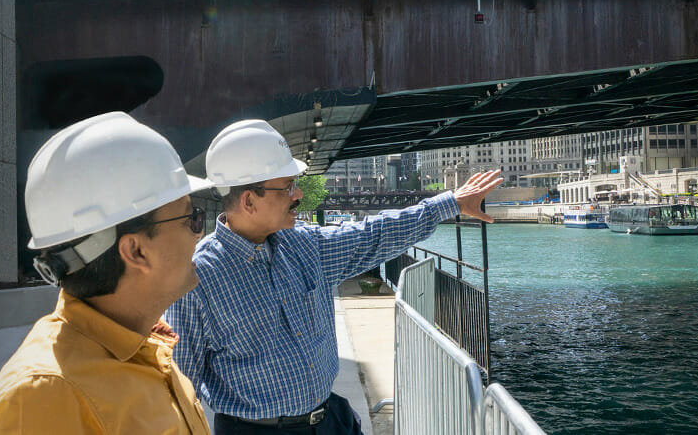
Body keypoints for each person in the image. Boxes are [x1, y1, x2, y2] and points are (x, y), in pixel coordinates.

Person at [166, 119, 503, 435]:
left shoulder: (305, 245)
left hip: (331, 421)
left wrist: (451, 203)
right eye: (287, 187)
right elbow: (179, 391)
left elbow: (375, 235)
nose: (297, 195)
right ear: (250, 201)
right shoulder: (197, 280)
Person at [0, 112, 214, 435]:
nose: (199, 234)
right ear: (136, 251)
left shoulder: (143, 344)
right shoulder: (40, 403)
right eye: (191, 219)